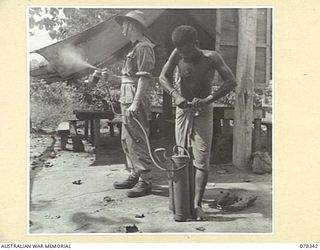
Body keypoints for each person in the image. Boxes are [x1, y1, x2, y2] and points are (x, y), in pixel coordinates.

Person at [159, 25, 236, 220]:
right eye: (181, 53)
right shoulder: (177, 53)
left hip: (203, 110)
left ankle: (197, 204)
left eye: (188, 52)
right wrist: (175, 95)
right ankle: (178, 199)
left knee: (201, 159)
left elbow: (231, 82)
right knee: (180, 155)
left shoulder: (212, 57)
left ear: (197, 44)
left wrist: (208, 99)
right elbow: (163, 77)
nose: (185, 56)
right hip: (183, 109)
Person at [102, 10, 156, 197]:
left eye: (124, 25)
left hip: (134, 99)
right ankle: (134, 173)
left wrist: (135, 102)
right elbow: (127, 79)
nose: (122, 29)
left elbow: (144, 79)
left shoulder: (143, 47)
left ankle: (145, 180)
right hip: (127, 97)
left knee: (138, 139)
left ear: (133, 26)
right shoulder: (133, 48)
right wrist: (110, 77)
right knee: (127, 140)